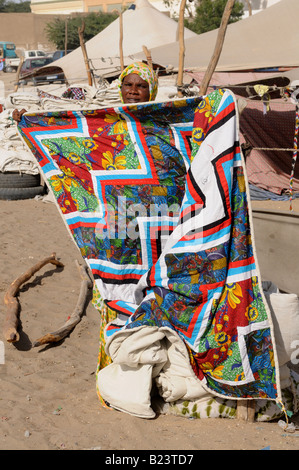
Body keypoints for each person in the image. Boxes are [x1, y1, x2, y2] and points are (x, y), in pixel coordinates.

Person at [12, 61, 158, 122]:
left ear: (152, 91)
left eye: (142, 86)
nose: (133, 91)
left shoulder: (164, 120)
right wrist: (30, 119)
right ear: (120, 88)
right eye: (128, 85)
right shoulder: (105, 118)